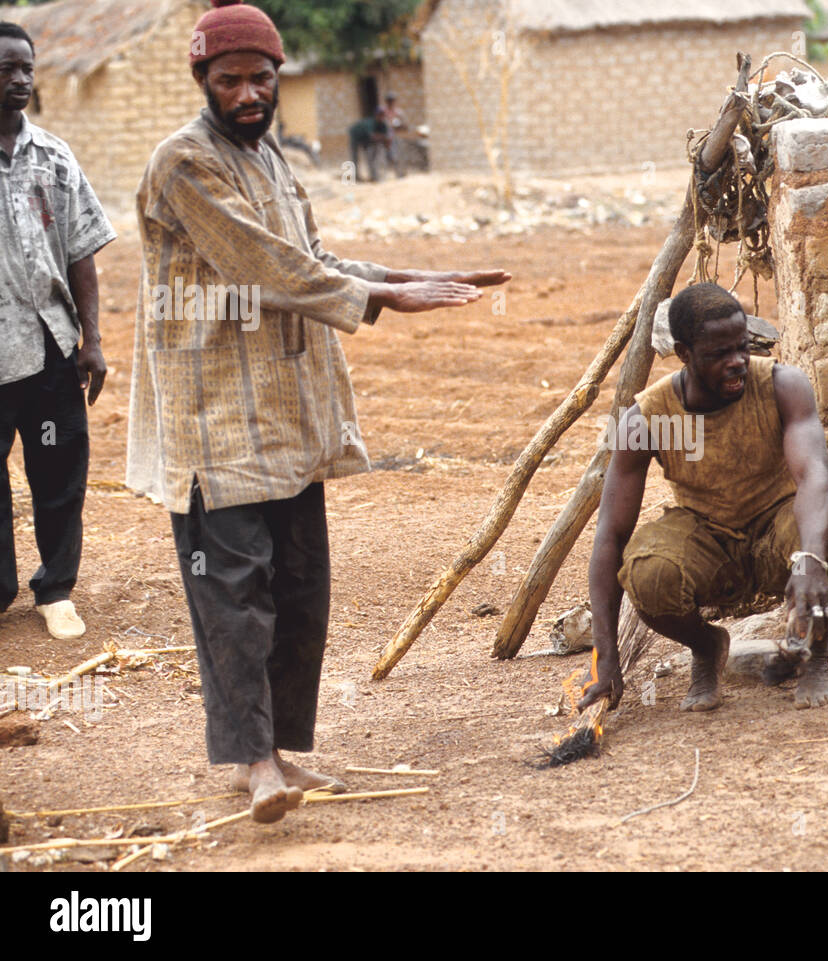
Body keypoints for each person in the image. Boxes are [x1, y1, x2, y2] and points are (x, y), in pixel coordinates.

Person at [126, 0, 510, 825]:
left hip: (288, 417)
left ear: (278, 79)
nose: (248, 93)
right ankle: (253, 762)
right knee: (235, 597)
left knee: (300, 590)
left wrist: (410, 274)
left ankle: (283, 752)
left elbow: (314, 257)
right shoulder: (181, 164)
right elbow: (263, 265)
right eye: (229, 81)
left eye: (261, 78)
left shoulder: (270, 160)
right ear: (204, 81)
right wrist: (381, 297)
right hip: (216, 421)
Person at [579, 283, 828, 716]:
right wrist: (604, 658)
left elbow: (813, 477)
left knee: (825, 534)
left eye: (742, 347)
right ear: (685, 353)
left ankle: (817, 655)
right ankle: (707, 646)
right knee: (647, 574)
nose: (737, 362)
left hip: (777, 525)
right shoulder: (644, 419)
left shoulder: (783, 385)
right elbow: (610, 534)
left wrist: (810, 558)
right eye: (719, 353)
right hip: (707, 536)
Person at [0, 21, 115, 642]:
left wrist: (90, 340)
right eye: (6, 70)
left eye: (27, 68)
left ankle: (57, 588)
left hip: (49, 346)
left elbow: (82, 251)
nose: (20, 80)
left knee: (59, 468)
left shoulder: (54, 156)